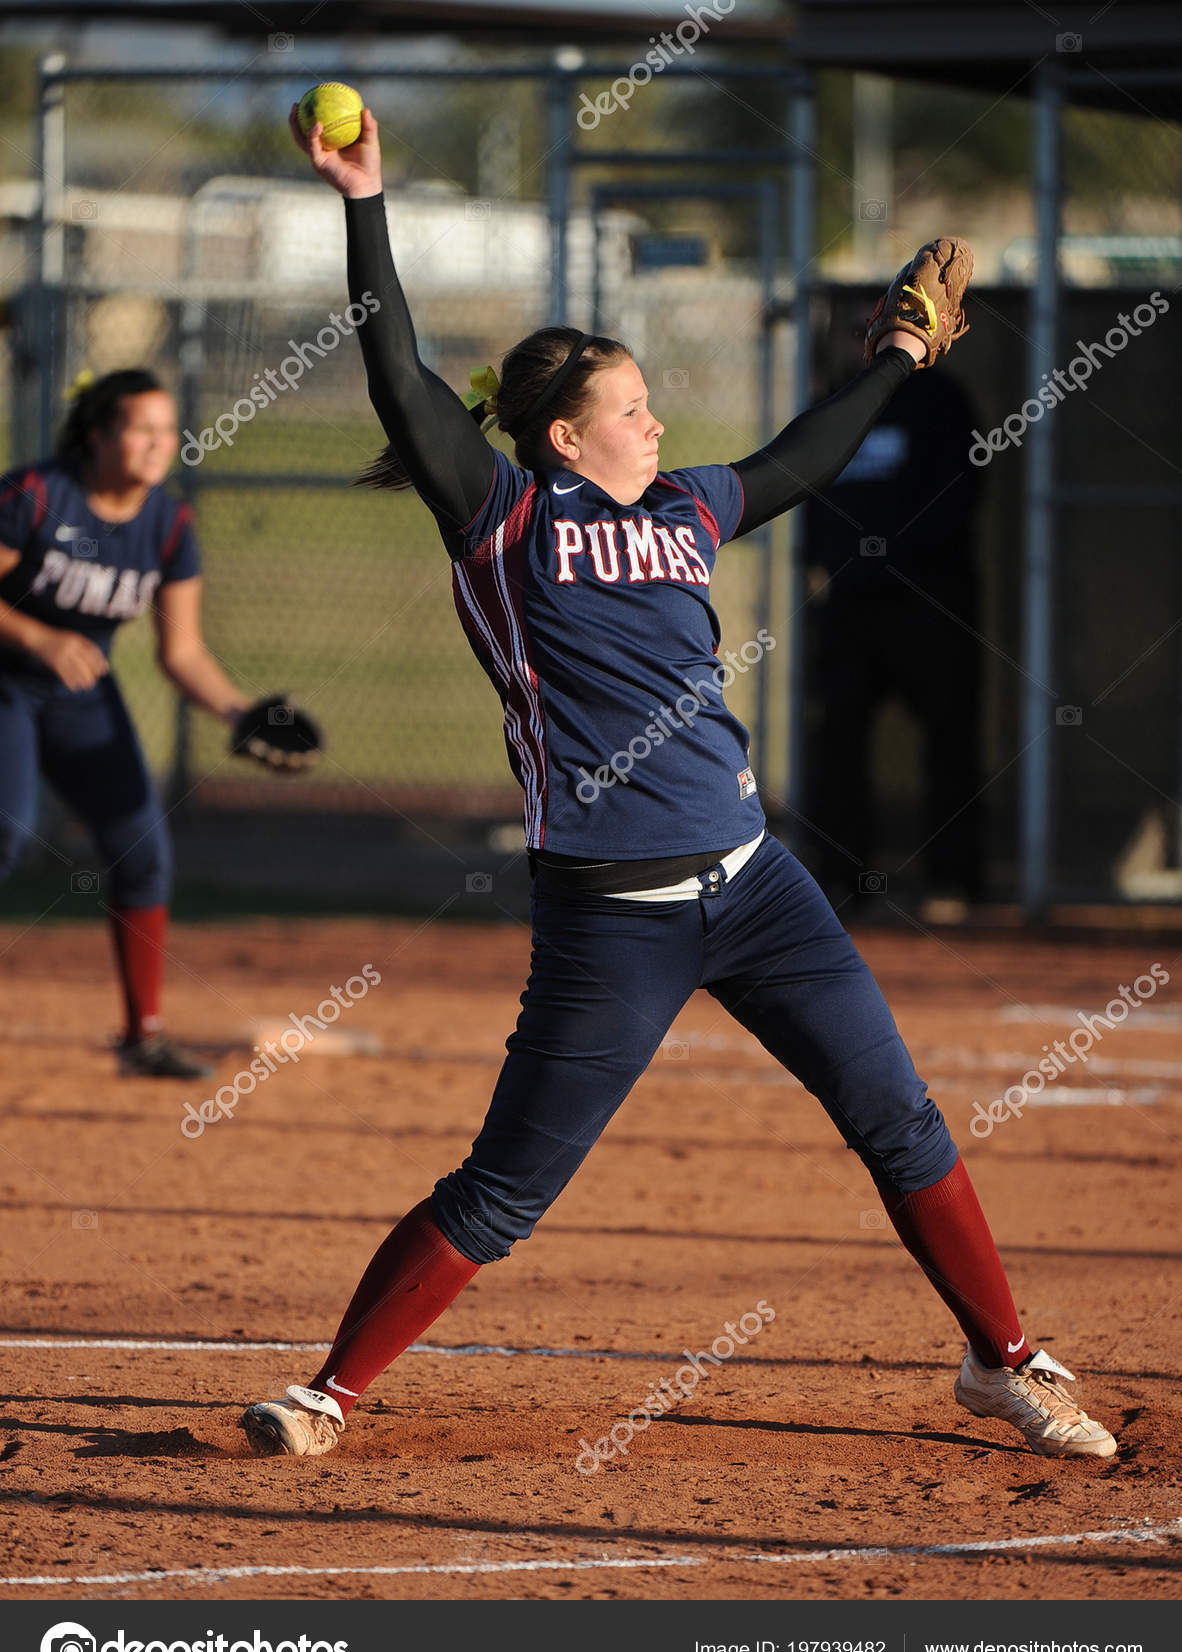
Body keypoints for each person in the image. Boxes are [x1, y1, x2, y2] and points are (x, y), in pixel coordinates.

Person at [240, 107, 1116, 1463]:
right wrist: (364, 199)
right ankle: (325, 1396)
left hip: (759, 887)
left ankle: (1000, 1360)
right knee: (505, 1191)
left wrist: (890, 355)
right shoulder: (505, 521)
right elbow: (401, 379)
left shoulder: (686, 508)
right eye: (630, 411)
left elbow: (802, 456)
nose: (655, 423)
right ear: (560, 439)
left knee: (899, 1121)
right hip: (612, 917)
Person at [0, 369, 253, 1077]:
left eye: (167, 430)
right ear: (98, 435)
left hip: (81, 698)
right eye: (141, 428)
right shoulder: (36, 497)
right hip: (6, 685)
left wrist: (240, 711)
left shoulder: (166, 524)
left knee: (141, 854)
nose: (158, 444)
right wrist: (38, 637)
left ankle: (143, 1039)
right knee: (6, 832)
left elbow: (183, 652)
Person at [802, 300, 984, 911]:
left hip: (930, 600)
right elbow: (809, 497)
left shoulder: (940, 402)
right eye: (857, 331)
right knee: (837, 737)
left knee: (950, 738)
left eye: (877, 329)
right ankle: (848, 881)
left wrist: (892, 557)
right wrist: (831, 567)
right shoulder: (836, 401)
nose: (866, 342)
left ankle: (954, 882)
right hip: (852, 604)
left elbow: (960, 494)